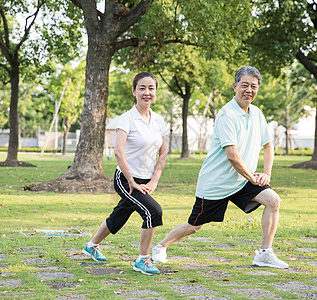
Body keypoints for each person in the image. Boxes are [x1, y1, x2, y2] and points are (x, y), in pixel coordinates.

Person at [152, 66, 288, 269]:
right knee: (193, 226)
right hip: (216, 183)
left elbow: (268, 145)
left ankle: (264, 254)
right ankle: (161, 247)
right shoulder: (227, 115)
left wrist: (266, 175)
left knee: (272, 200)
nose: (249, 90)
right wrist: (252, 177)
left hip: (242, 180)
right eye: (244, 85)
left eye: (253, 86)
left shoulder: (257, 113)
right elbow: (232, 156)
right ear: (235, 86)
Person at [82, 72, 168, 275]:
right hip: (125, 179)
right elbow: (118, 151)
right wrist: (131, 181)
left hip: (146, 180)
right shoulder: (127, 118)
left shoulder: (158, 120)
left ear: (155, 91)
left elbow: (163, 151)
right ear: (134, 91)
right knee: (153, 212)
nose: (147, 93)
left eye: (151, 88)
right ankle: (143, 259)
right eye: (142, 88)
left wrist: (154, 179)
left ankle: (91, 245)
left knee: (120, 215)